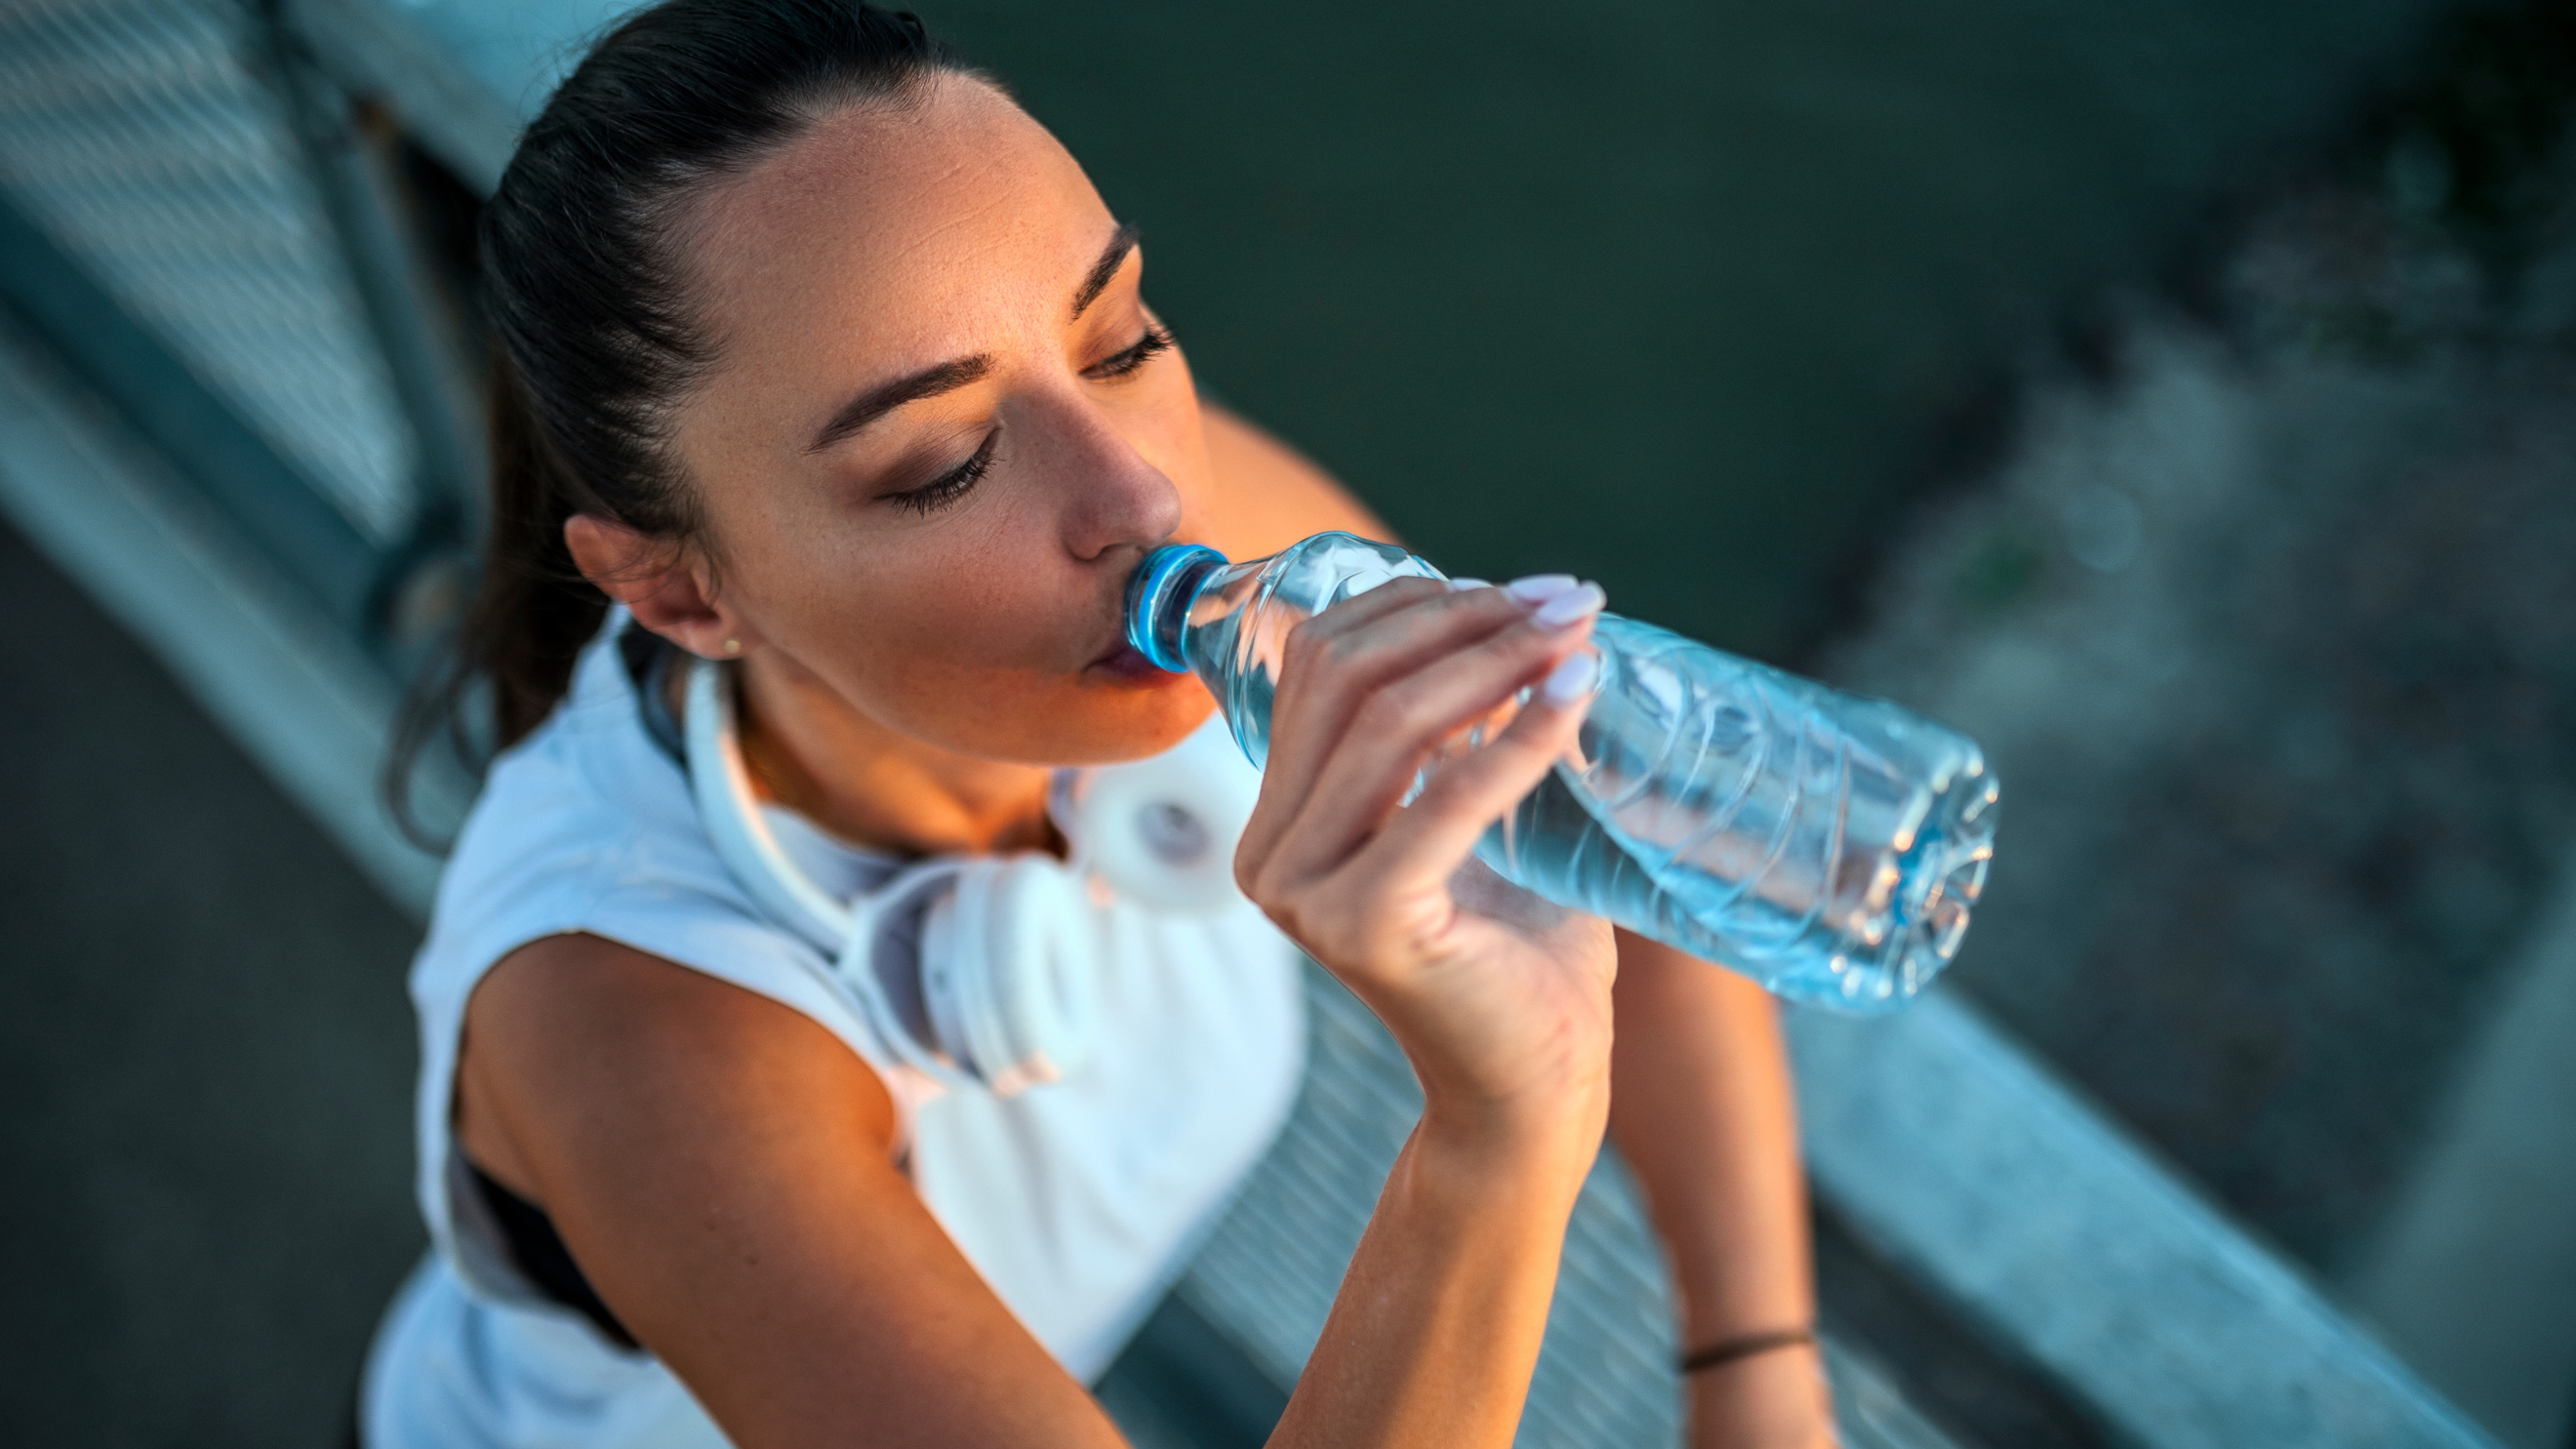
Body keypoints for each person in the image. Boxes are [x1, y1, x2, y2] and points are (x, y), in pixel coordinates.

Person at [361, 3, 1835, 1445]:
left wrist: (1758, 1375)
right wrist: (1501, 1139)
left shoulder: (1211, 548)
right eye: (942, 462)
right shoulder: (642, 1030)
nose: (1142, 501)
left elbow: (1593, 799)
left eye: (1120, 337)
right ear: (681, 595)